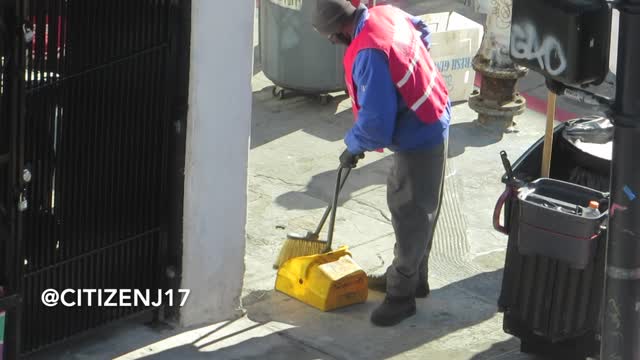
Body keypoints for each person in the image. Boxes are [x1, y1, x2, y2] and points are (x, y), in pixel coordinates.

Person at [312, 0, 451, 327]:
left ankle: (401, 295)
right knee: (421, 208)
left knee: (408, 210)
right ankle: (415, 279)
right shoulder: (384, 13)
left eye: (331, 36)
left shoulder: (368, 54)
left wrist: (352, 146)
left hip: (421, 132)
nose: (332, 42)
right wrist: (410, 75)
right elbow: (422, 30)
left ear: (340, 30)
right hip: (432, 110)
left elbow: (375, 126)